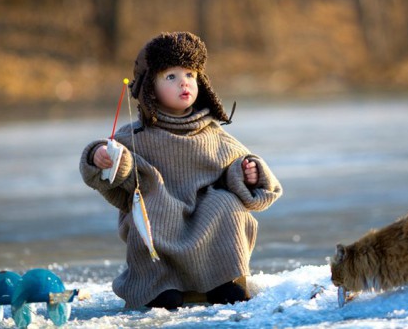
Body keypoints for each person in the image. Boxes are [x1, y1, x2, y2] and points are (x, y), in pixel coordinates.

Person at [79, 32, 283, 309]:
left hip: (207, 223)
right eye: (170, 77)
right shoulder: (136, 134)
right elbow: (109, 165)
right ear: (150, 86)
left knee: (227, 203)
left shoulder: (212, 132)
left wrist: (249, 172)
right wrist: (100, 156)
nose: (184, 82)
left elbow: (243, 173)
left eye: (190, 74)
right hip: (160, 219)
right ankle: (159, 285)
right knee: (154, 211)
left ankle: (225, 280)